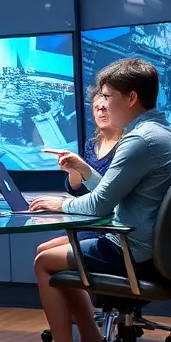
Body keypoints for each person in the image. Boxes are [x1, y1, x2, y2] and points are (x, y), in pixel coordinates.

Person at [24, 58, 171, 342]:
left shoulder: (139, 140)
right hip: (167, 255)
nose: (101, 102)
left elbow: (99, 203)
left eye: (107, 95)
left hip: (138, 254)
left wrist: (62, 204)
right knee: (57, 255)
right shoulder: (165, 132)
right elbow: (112, 191)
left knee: (45, 262)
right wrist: (87, 176)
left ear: (130, 98)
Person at [33, 89, 124, 260]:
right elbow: (78, 189)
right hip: (87, 217)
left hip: (109, 223)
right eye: (97, 108)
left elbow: (109, 193)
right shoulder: (91, 145)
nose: (101, 112)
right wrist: (73, 172)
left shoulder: (127, 146)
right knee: (42, 250)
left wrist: (83, 170)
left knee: (45, 254)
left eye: (105, 108)